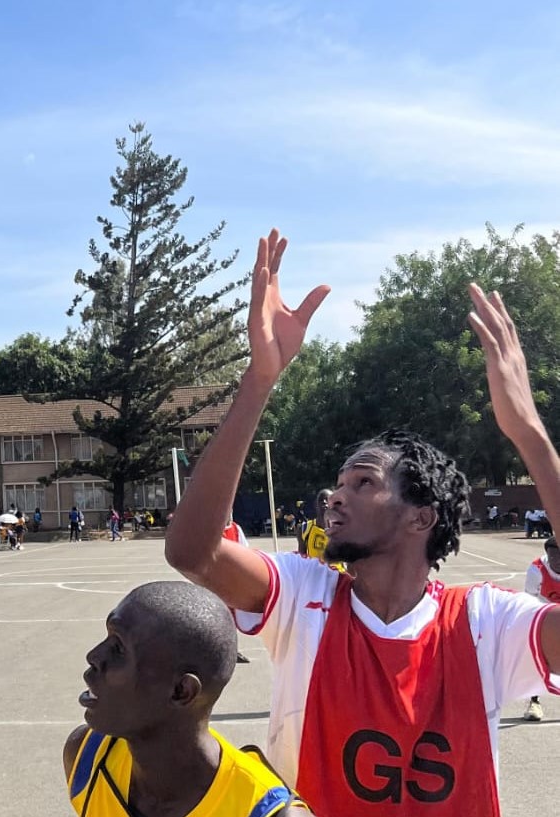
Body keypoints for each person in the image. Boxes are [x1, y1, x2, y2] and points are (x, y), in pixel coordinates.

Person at [165, 229, 560, 815]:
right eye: (340, 481)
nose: (335, 495)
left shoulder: (482, 624)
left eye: (363, 483)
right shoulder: (306, 596)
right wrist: (259, 381)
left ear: (420, 517)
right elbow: (193, 552)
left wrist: (528, 433)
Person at [66, 582, 312, 816]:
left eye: (118, 648)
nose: (93, 656)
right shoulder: (86, 754)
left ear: (182, 691)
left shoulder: (265, 810)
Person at [522, 537, 560, 721]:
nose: (558, 560)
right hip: (544, 613)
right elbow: (530, 601)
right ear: (548, 555)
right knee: (538, 660)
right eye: (554, 556)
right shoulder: (536, 570)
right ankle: (534, 702)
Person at [295, 490, 332, 562]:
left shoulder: (342, 529)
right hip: (314, 572)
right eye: (321, 500)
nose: (324, 502)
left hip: (337, 572)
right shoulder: (304, 529)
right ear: (316, 505)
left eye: (328, 499)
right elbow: (302, 559)